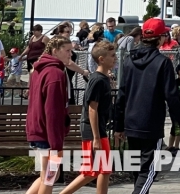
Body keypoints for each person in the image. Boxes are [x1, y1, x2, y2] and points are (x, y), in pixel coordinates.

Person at [114, 17, 180, 194]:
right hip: (151, 124)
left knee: (138, 170)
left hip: (131, 123)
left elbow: (122, 95)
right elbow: (172, 98)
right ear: (161, 38)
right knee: (149, 171)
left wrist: (119, 125)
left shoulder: (129, 60)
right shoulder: (162, 63)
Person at [57, 40, 116, 194]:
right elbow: (92, 109)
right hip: (93, 130)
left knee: (104, 169)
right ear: (101, 59)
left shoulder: (103, 79)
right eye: (112, 55)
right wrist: (96, 137)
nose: (115, 58)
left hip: (99, 128)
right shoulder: (97, 80)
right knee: (91, 171)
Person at [25, 36, 74, 194]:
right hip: (47, 134)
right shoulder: (55, 74)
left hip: (37, 130)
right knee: (50, 175)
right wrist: (56, 144)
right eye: (67, 50)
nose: (70, 54)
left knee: (46, 174)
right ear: (55, 51)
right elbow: (52, 112)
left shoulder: (38, 70)